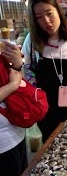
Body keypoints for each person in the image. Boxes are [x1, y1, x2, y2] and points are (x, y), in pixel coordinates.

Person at [20, 0, 67, 142]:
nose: (46, 21)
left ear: (58, 11)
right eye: (39, 17)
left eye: (49, 13)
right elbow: (26, 71)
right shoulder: (32, 41)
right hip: (46, 111)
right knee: (51, 150)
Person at [0, 42, 27, 176]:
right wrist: (13, 85)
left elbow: (24, 83)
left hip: (16, 131)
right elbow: (16, 84)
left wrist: (18, 65)